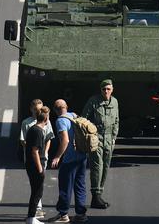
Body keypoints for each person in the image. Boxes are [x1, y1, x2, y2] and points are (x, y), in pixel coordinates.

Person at [83, 79, 119, 209]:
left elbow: (116, 120)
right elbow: (84, 119)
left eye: (108, 89)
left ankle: (99, 194)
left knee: (106, 166)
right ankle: (95, 196)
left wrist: (114, 137)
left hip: (109, 138)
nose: (106, 91)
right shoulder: (93, 101)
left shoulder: (114, 102)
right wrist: (90, 135)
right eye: (104, 89)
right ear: (100, 90)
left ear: (112, 89)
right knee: (97, 166)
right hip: (96, 137)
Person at [50, 98, 87, 223]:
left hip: (69, 160)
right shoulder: (74, 115)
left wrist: (57, 157)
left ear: (55, 110)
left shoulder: (60, 121)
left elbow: (65, 140)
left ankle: (63, 214)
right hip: (81, 156)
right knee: (80, 186)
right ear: (66, 107)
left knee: (65, 187)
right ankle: (81, 214)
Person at [23, 102, 52, 224]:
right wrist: (40, 168)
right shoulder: (38, 131)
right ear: (46, 118)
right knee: (37, 192)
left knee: (36, 191)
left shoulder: (33, 129)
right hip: (34, 165)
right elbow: (35, 151)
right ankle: (31, 217)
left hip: (32, 165)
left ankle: (32, 216)